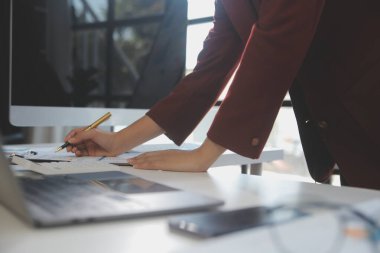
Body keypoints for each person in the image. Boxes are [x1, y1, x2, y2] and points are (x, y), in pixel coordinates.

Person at [65, 0, 380, 190]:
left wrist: (204, 155)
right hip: (349, 127)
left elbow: (278, 34)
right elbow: (211, 66)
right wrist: (120, 141)